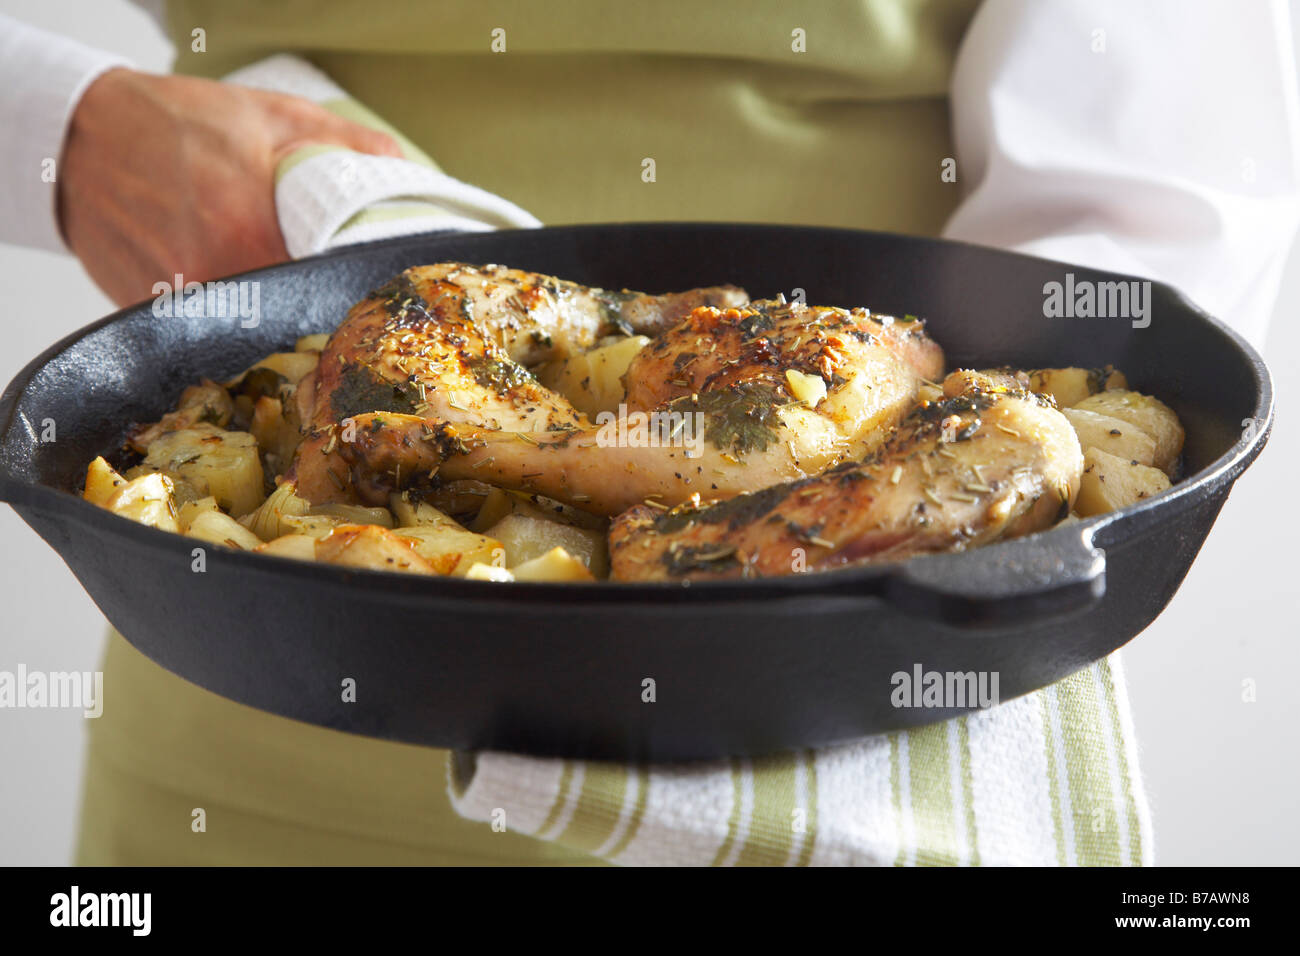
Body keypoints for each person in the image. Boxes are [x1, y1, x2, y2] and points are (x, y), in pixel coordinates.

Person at [1, 0, 1296, 865]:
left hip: (874, 707)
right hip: (264, 722)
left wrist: (950, 434)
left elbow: (1156, 183)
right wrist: (59, 123)